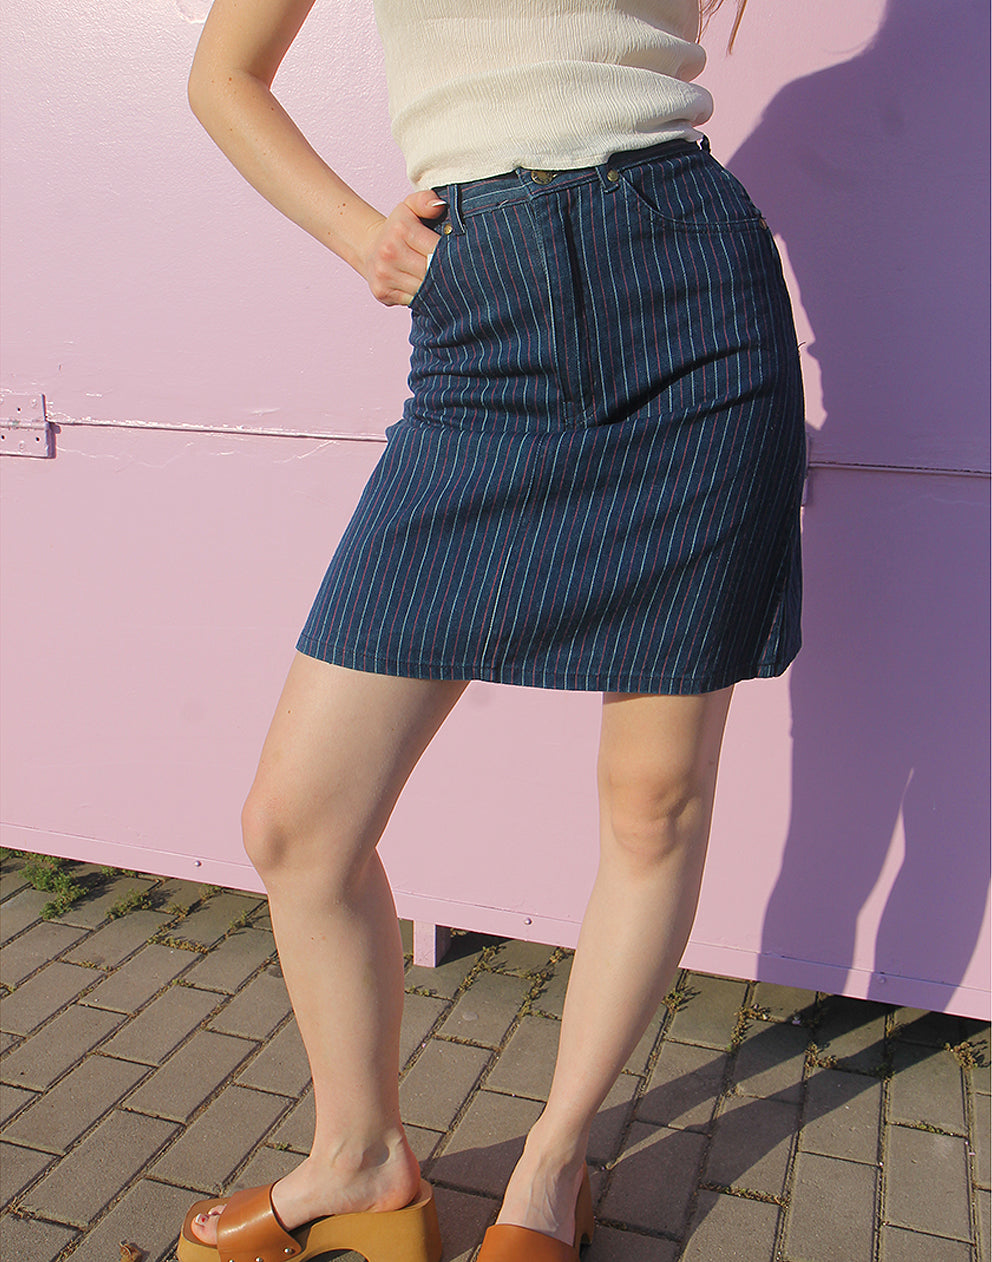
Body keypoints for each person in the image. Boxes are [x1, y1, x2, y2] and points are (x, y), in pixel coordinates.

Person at [177, 1, 804, 1259]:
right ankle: (357, 1157)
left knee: (652, 799)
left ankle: (551, 1165)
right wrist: (358, 235)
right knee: (296, 824)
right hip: (481, 312)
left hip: (694, 304)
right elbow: (223, 74)